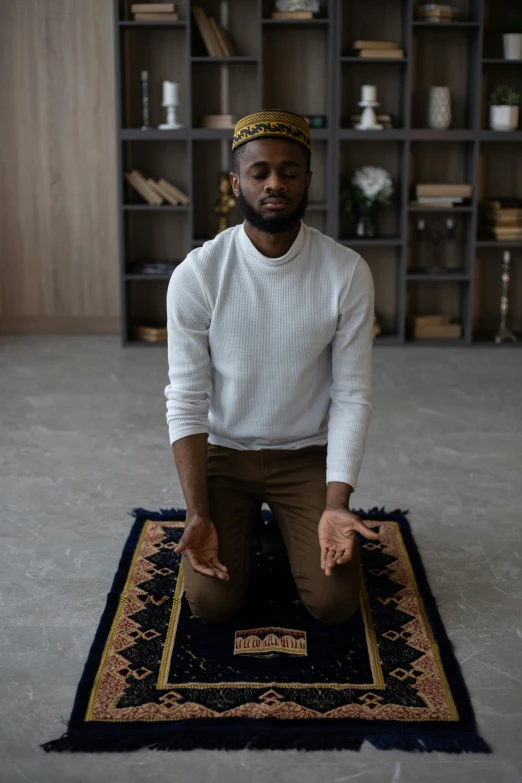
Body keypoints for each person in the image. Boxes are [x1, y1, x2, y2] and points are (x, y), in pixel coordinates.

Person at [164, 110, 378, 627]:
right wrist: (196, 511)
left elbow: (352, 394)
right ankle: (254, 526)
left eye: (289, 170)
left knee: (334, 605)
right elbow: (186, 398)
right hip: (224, 456)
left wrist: (336, 501)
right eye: (260, 172)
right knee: (212, 607)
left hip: (303, 457)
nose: (275, 183)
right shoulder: (198, 274)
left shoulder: (346, 271)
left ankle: (293, 525)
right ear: (237, 182)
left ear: (307, 179)